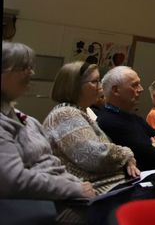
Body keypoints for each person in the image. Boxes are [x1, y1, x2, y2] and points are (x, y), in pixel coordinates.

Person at [0, 42, 95, 213]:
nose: (31, 73)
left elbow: (51, 164)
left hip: (58, 193)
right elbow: (13, 180)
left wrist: (76, 184)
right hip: (38, 205)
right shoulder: (64, 113)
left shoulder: (26, 119)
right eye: (23, 68)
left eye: (31, 67)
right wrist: (75, 188)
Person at [43, 61, 139, 194]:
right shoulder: (65, 114)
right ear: (75, 86)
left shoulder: (78, 112)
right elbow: (95, 155)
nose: (101, 86)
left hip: (112, 185)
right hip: (98, 190)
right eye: (95, 81)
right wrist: (126, 154)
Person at [95, 66, 155, 170]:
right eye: (135, 85)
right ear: (116, 90)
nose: (141, 89)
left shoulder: (132, 117)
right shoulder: (109, 121)